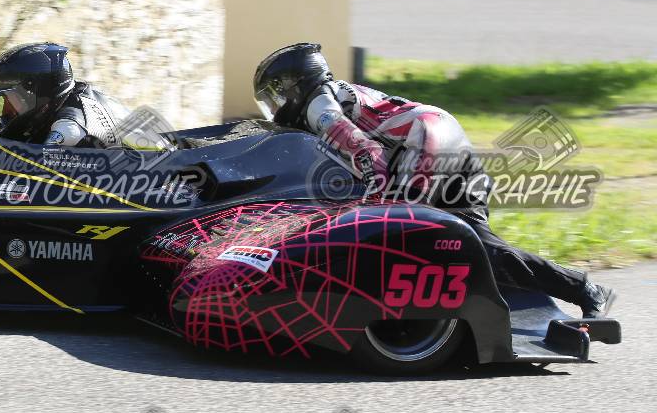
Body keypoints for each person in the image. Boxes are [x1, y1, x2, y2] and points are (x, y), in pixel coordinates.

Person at [251, 42, 616, 318]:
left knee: (413, 235)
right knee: (475, 247)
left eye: (275, 95)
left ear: (295, 86)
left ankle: (582, 288)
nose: (275, 106)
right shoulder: (328, 99)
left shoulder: (320, 107)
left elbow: (368, 154)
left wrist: (375, 203)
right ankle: (573, 289)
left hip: (427, 142)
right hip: (441, 142)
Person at [0, 42, 132, 148]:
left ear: (34, 94)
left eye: (9, 100)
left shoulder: (68, 129)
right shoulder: (73, 97)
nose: (5, 111)